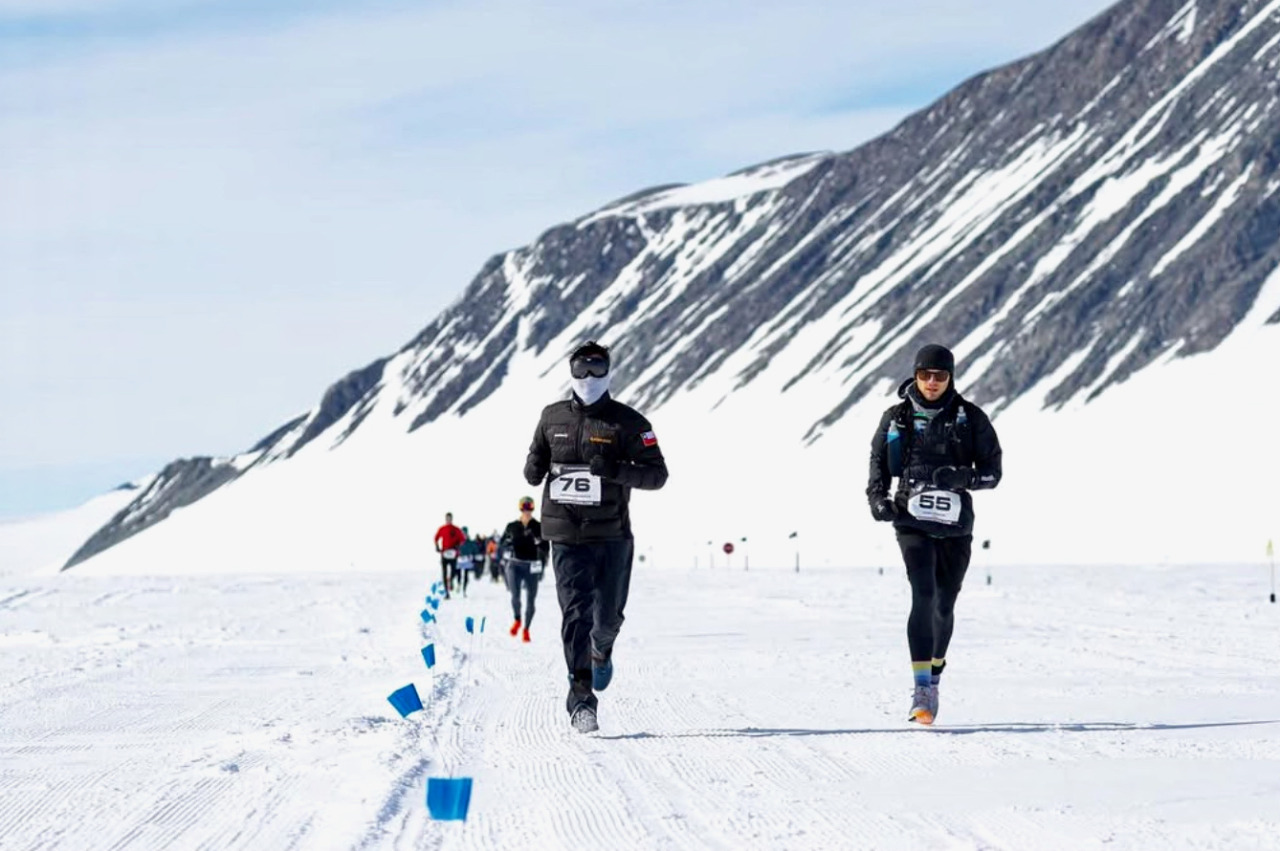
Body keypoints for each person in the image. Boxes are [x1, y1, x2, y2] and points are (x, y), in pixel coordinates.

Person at [524, 341, 669, 733]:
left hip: (612, 535)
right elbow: (536, 456)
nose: (588, 377)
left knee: (605, 618)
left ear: (608, 372)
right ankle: (581, 699)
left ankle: (601, 651)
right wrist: (533, 469)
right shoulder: (551, 417)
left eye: (596, 368)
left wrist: (616, 469)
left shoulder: (629, 423)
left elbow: (657, 475)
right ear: (570, 372)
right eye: (580, 369)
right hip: (565, 533)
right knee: (576, 614)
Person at [867, 344, 1002, 725]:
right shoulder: (897, 418)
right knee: (923, 593)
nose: (931, 382)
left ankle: (936, 669)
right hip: (910, 520)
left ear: (951, 378)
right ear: (915, 375)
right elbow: (877, 464)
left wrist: (966, 478)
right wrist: (878, 501)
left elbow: (994, 473)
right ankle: (922, 690)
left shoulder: (971, 418)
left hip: (957, 526)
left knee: (945, 602)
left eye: (940, 376)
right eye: (925, 375)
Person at [499, 496, 548, 643]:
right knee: (515, 595)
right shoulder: (512, 526)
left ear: (533, 508)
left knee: (531, 599)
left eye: (530, 507)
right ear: (520, 508)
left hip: (531, 565)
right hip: (514, 564)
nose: (527, 510)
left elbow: (546, 548)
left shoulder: (538, 526)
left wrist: (539, 542)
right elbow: (502, 544)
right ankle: (517, 620)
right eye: (524, 507)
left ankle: (526, 628)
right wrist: (507, 543)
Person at [433, 512, 466, 600]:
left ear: (452, 519)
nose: (448, 520)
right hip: (444, 553)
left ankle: (450, 580)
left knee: (454, 571)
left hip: (453, 553)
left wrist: (458, 546)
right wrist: (437, 547)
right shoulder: (442, 529)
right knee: (444, 572)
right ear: (445, 519)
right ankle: (447, 593)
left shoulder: (456, 529)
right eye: (447, 518)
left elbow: (462, 539)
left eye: (450, 518)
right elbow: (436, 538)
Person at [456, 528, 481, 597]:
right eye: (462, 534)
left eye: (465, 534)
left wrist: (474, 555)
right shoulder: (457, 541)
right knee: (459, 574)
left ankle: (464, 590)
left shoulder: (470, 542)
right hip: (459, 560)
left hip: (467, 560)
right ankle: (458, 584)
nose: (464, 535)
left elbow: (475, 549)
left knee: (466, 575)